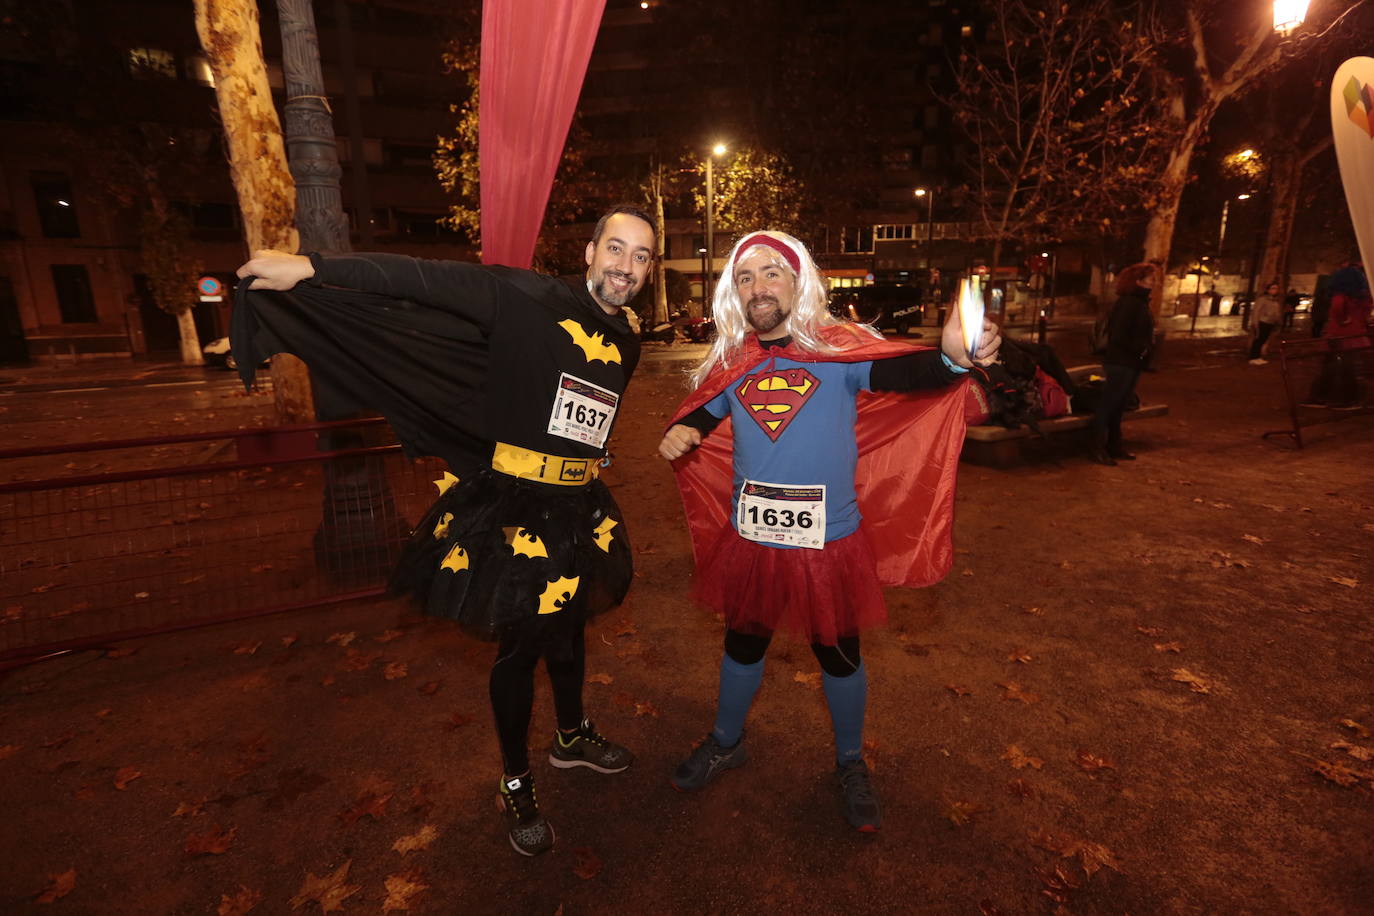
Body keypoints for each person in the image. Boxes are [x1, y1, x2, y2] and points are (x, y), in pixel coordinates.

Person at [233, 206, 656, 857]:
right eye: (616, 249)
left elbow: (585, 409)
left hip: (579, 508)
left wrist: (592, 455)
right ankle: (516, 779)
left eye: (640, 256)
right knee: (518, 649)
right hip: (516, 511)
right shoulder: (528, 297)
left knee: (569, 631)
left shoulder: (628, 335)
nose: (625, 266)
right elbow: (421, 279)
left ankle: (571, 737)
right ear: (592, 250)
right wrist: (311, 267)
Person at [657, 231, 999, 832]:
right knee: (742, 646)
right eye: (744, 277)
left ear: (797, 282)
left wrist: (950, 358)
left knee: (839, 657)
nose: (757, 286)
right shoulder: (735, 366)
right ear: (733, 295)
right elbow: (703, 413)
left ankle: (849, 762)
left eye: (770, 273)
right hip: (754, 543)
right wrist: (682, 429)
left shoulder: (839, 355)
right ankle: (726, 740)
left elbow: (911, 374)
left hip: (827, 542)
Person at [1090, 261, 1156, 465]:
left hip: (1130, 362)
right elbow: (1119, 335)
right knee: (1109, 405)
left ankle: (1114, 446)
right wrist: (1140, 348)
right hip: (1121, 362)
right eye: (1150, 279)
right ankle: (1097, 447)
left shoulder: (1139, 302)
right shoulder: (1129, 303)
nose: (1154, 283)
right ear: (1138, 282)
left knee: (1119, 406)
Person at [1306, 264, 1372, 409]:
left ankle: (1324, 397)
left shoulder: (1340, 296)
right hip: (1356, 335)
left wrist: (1341, 319)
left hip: (1337, 335)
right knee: (1351, 368)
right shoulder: (1363, 297)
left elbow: (1337, 308)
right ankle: (1346, 398)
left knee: (1330, 366)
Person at [1248, 282, 1283, 365]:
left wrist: (1277, 321)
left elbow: (1276, 312)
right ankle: (1253, 357)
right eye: (1273, 288)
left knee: (1263, 340)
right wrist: (1255, 323)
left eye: (1276, 288)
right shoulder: (1263, 299)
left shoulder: (1275, 300)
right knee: (1258, 340)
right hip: (1262, 322)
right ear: (1268, 290)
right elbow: (1256, 311)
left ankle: (1258, 357)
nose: (1275, 290)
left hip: (1270, 323)